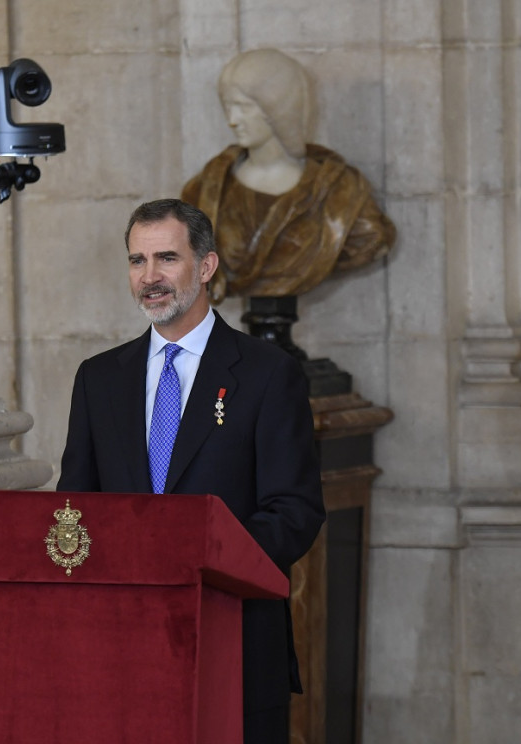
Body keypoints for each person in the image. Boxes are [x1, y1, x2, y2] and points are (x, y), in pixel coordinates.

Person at [57, 198, 326, 744]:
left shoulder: (269, 374)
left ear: (205, 267)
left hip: (234, 647)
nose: (150, 278)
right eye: (137, 261)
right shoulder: (99, 379)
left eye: (166, 259)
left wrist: (199, 559)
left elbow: (295, 512)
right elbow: (76, 508)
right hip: (124, 653)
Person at [182, 48, 395, 302]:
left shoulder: (339, 191)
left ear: (277, 109)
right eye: (227, 107)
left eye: (242, 107)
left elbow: (370, 241)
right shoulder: (204, 191)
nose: (232, 120)